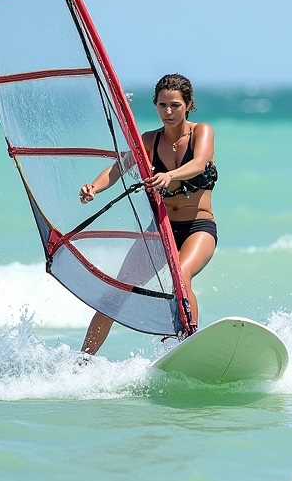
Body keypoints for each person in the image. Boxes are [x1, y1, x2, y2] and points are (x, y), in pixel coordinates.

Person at [78, 73, 218, 355]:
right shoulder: (150, 141)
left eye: (176, 105)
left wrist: (171, 175)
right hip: (160, 229)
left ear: (188, 105)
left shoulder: (201, 131)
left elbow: (200, 164)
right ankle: (82, 361)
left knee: (181, 274)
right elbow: (118, 169)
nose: (168, 111)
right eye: (162, 105)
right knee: (115, 293)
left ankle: (187, 345)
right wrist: (93, 187)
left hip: (198, 227)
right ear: (155, 105)